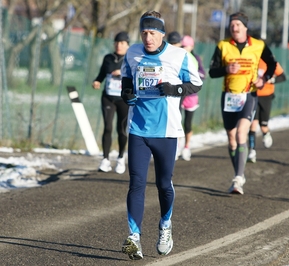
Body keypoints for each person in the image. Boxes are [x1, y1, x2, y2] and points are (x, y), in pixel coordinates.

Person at [119, 10, 202, 260]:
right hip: (138, 129)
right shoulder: (132, 53)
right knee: (136, 183)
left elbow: (196, 83)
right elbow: (126, 78)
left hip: (167, 132)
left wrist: (175, 88)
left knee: (164, 184)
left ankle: (165, 226)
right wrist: (126, 93)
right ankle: (134, 238)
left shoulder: (179, 56)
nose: (147, 38)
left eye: (152, 33)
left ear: (162, 34)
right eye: (144, 32)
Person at [209, 12, 277, 195]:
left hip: (249, 95)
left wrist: (264, 80)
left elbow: (272, 64)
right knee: (231, 139)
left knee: (241, 134)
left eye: (238, 24)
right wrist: (226, 69)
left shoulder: (258, 45)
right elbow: (212, 72)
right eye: (232, 24)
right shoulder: (223, 45)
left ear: (245, 27)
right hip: (229, 97)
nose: (234, 27)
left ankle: (238, 178)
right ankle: (238, 173)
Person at [92, 31, 130, 174]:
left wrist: (122, 73)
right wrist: (97, 81)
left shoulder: (130, 59)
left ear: (127, 45)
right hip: (108, 96)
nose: (118, 45)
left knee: (121, 129)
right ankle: (105, 159)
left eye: (122, 43)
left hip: (123, 99)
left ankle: (120, 158)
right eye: (116, 43)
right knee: (107, 127)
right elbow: (102, 73)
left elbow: (135, 75)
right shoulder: (108, 58)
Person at [247, 60, 286, 163]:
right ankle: (252, 150)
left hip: (266, 97)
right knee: (252, 124)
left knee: (263, 126)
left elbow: (283, 77)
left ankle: (266, 134)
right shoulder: (251, 59)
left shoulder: (271, 62)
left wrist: (271, 80)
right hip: (252, 95)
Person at [179, 35, 206, 161]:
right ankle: (177, 147)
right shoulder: (176, 57)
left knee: (187, 123)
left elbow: (203, 74)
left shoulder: (195, 59)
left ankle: (186, 147)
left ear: (192, 46)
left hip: (191, 96)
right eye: (182, 46)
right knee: (176, 122)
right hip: (178, 94)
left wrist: (193, 73)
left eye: (186, 46)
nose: (184, 48)